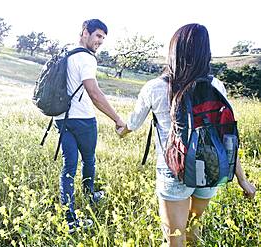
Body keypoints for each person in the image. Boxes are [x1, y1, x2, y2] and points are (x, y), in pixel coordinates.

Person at [116, 23, 256, 246]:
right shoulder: (216, 86)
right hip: (211, 166)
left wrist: (120, 129)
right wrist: (242, 179)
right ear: (205, 53)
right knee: (193, 228)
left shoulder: (154, 87)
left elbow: (132, 124)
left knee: (174, 237)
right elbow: (226, 136)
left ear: (174, 51)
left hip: (174, 169)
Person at [54, 19, 125, 233]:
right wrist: (118, 119)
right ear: (85, 32)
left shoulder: (66, 53)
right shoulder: (86, 58)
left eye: (103, 37)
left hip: (61, 118)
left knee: (69, 167)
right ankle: (90, 194)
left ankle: (69, 221)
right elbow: (94, 93)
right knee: (89, 159)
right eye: (98, 36)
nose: (100, 41)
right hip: (83, 119)